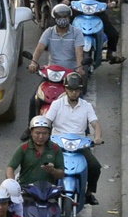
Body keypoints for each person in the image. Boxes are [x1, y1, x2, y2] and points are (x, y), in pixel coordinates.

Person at [42, 74, 103, 203]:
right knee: (44, 165)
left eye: (76, 90)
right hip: (57, 143)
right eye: (70, 89)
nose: (73, 93)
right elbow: (47, 121)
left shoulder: (86, 106)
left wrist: (97, 137)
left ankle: (89, 193)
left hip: (79, 145)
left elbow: (95, 124)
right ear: (65, 89)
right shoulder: (57, 104)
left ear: (80, 90)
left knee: (95, 167)